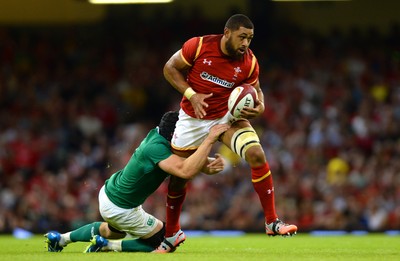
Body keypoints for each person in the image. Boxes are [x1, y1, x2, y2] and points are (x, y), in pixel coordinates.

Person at [155, 14, 298, 253]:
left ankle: (272, 221)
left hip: (228, 117)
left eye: (250, 38)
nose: (246, 43)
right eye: (242, 37)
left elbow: (258, 93)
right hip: (193, 119)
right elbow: (169, 68)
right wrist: (192, 95)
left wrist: (260, 107)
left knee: (256, 154)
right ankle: (171, 235)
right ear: (227, 32)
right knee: (180, 177)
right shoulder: (199, 46)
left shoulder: (250, 62)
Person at [44, 111, 229, 253]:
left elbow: (183, 158)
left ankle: (60, 239)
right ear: (175, 133)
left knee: (111, 230)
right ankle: (107, 246)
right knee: (165, 239)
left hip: (111, 193)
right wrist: (210, 139)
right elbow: (184, 169)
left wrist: (206, 163)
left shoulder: (156, 136)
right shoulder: (157, 149)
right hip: (121, 207)